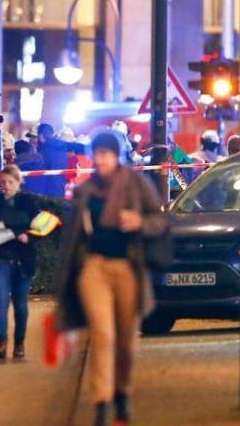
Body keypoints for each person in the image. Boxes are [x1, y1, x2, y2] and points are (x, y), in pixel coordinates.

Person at [55, 132, 168, 426]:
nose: (102, 159)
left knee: (127, 341)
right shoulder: (85, 191)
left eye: (107, 153)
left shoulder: (137, 184)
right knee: (103, 335)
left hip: (128, 269)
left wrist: (139, 222)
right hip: (94, 269)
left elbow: (160, 221)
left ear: (118, 156)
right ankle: (102, 401)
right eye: (98, 153)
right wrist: (65, 279)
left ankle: (122, 392)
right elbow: (72, 238)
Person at [0, 165, 42, 359]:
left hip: (23, 261)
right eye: (3, 182)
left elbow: (41, 229)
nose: (6, 186)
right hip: (0, 259)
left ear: (19, 182)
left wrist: (29, 237)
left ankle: (20, 344)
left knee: (21, 304)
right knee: (1, 302)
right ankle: (1, 343)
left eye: (10, 182)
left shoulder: (29, 203)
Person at [37, 123, 86, 198]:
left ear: (40, 135)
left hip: (47, 187)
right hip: (60, 185)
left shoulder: (42, 150)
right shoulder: (62, 145)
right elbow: (80, 147)